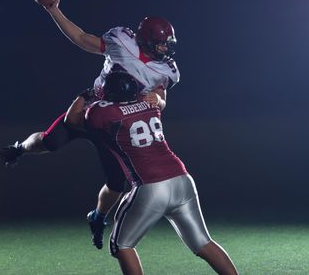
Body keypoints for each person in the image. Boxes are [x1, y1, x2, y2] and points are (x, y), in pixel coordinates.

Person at [0, 0, 180, 249]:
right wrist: (54, 10)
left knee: (117, 183)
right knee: (50, 141)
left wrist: (157, 101)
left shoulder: (166, 70)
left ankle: (98, 217)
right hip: (91, 107)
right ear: (145, 40)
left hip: (119, 125)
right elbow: (82, 38)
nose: (165, 49)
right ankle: (18, 148)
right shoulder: (121, 39)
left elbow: (161, 99)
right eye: (161, 43)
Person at [85, 72, 239, 275]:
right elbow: (159, 89)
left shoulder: (103, 113)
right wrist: (157, 96)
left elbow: (81, 116)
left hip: (150, 186)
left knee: (121, 245)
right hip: (182, 179)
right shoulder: (150, 103)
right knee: (203, 242)